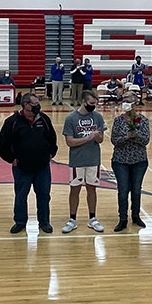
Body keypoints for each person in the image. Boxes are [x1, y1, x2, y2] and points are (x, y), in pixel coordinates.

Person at [0, 92, 57, 233]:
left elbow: (52, 139)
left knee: (43, 195)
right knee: (21, 195)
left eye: (38, 104)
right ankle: (20, 222)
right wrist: (11, 159)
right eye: (34, 104)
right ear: (25, 105)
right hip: (21, 167)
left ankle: (44, 222)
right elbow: (2, 144)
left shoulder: (44, 119)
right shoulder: (12, 122)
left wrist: (50, 154)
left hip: (42, 167)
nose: (38, 107)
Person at [62, 90, 107, 234]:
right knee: (74, 189)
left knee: (91, 189)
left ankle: (92, 218)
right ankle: (72, 219)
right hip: (77, 160)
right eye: (91, 103)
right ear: (83, 102)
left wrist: (98, 136)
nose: (94, 106)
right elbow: (69, 142)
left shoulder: (98, 117)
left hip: (93, 159)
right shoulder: (71, 118)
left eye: (96, 103)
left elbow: (101, 140)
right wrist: (87, 138)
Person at [110, 92, 150, 231]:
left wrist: (136, 135)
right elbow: (114, 140)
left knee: (136, 190)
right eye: (124, 99)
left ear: (135, 102)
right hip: (120, 160)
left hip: (139, 161)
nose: (125, 101)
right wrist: (126, 137)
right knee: (122, 191)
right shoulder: (118, 120)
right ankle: (122, 219)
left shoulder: (143, 120)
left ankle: (136, 216)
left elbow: (146, 140)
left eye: (128, 99)